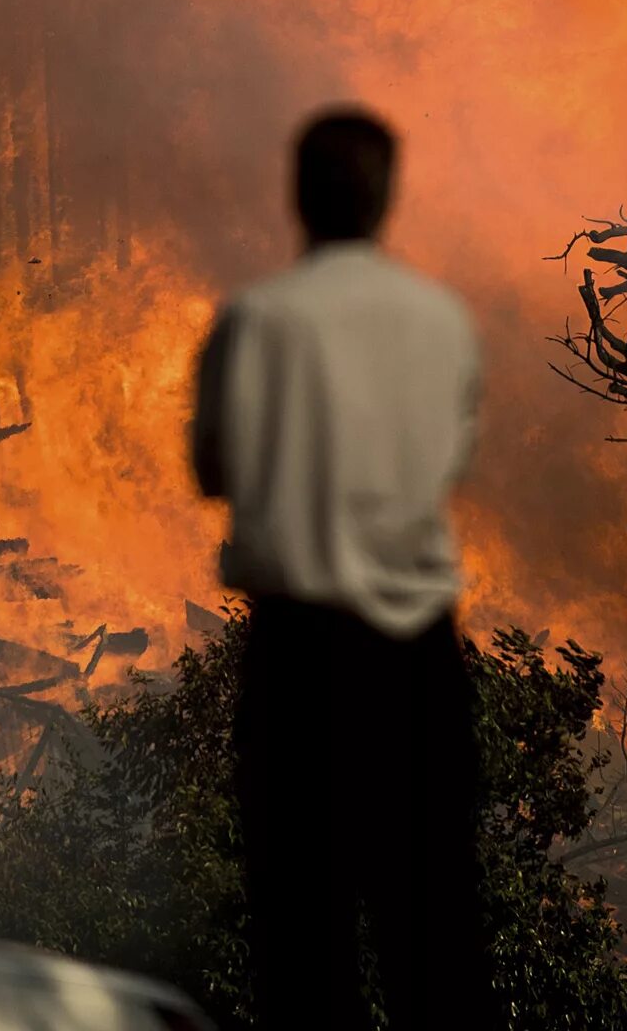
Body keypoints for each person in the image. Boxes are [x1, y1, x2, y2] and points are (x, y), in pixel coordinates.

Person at [190, 106, 486, 1031]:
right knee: (435, 932)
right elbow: (449, 462)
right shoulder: (441, 320)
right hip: (418, 660)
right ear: (386, 197)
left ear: (298, 195)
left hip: (301, 657)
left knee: (302, 940)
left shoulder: (258, 319)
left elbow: (212, 469)